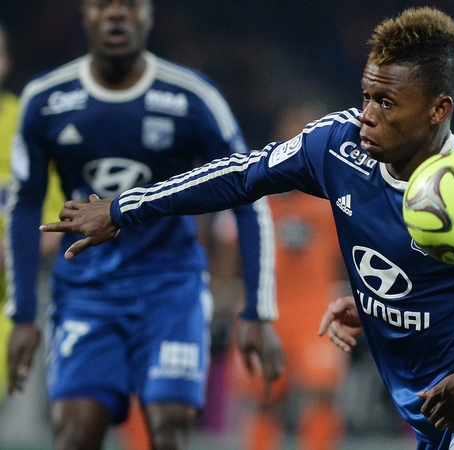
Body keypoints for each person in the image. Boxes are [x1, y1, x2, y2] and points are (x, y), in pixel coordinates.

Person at [39, 7, 454, 449]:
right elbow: (241, 174)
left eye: (387, 103)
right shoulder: (336, 147)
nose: (368, 113)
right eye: (366, 95)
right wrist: (122, 209)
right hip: (431, 400)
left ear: (439, 109)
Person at [5, 1, 282, 449]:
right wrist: (22, 315)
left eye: (130, 4)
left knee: (169, 426)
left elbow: (247, 194)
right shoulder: (46, 99)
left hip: (170, 288)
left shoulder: (193, 97)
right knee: (73, 434)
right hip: (86, 294)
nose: (117, 15)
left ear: (150, 14)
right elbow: (24, 204)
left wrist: (258, 311)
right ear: (84, 13)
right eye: (102, 5)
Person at [226, 102, 349, 450]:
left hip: (316, 308)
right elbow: (232, 248)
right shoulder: (255, 188)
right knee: (265, 397)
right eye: (294, 131)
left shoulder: (334, 192)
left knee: (323, 393)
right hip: (266, 308)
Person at [0, 21, 65, 404]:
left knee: (18, 423)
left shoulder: (27, 123)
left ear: (5, 61)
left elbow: (59, 214)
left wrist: (18, 252)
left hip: (18, 300)